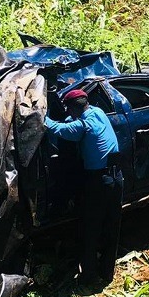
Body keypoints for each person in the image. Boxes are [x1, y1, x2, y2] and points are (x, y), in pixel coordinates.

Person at [44, 88, 123, 286]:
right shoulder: (98, 112)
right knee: (111, 225)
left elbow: (57, 129)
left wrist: (40, 117)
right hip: (117, 177)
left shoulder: (83, 125)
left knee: (92, 227)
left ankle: (89, 276)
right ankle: (107, 272)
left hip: (100, 180)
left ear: (72, 108)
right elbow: (73, 122)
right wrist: (70, 117)